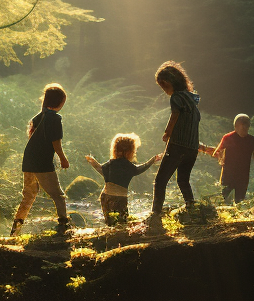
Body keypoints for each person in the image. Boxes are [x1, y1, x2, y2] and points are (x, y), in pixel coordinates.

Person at [11, 82, 71, 236]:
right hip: (42, 163)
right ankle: (64, 226)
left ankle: (15, 230)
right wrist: (63, 159)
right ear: (59, 102)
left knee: (29, 196)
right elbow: (55, 142)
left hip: (29, 161)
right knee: (58, 195)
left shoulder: (38, 117)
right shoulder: (55, 119)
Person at [150, 61, 203, 224]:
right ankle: (191, 208)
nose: (163, 90)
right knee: (183, 180)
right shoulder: (192, 99)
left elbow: (175, 115)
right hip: (192, 148)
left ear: (168, 83)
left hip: (178, 146)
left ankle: (155, 215)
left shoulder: (176, 98)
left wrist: (167, 133)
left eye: (162, 86)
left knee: (160, 180)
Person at [85, 134, 160, 225]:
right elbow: (139, 169)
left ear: (115, 149)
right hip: (119, 198)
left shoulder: (111, 163)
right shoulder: (127, 165)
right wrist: (152, 160)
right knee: (122, 222)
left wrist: (93, 162)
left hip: (105, 196)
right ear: (130, 151)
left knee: (110, 222)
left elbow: (101, 170)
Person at [209, 113, 254, 204]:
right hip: (228, 175)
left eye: (247, 126)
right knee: (224, 199)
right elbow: (216, 153)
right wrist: (221, 159)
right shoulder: (227, 137)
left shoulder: (252, 140)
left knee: (240, 201)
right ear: (236, 126)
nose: (245, 128)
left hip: (243, 176)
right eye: (243, 126)